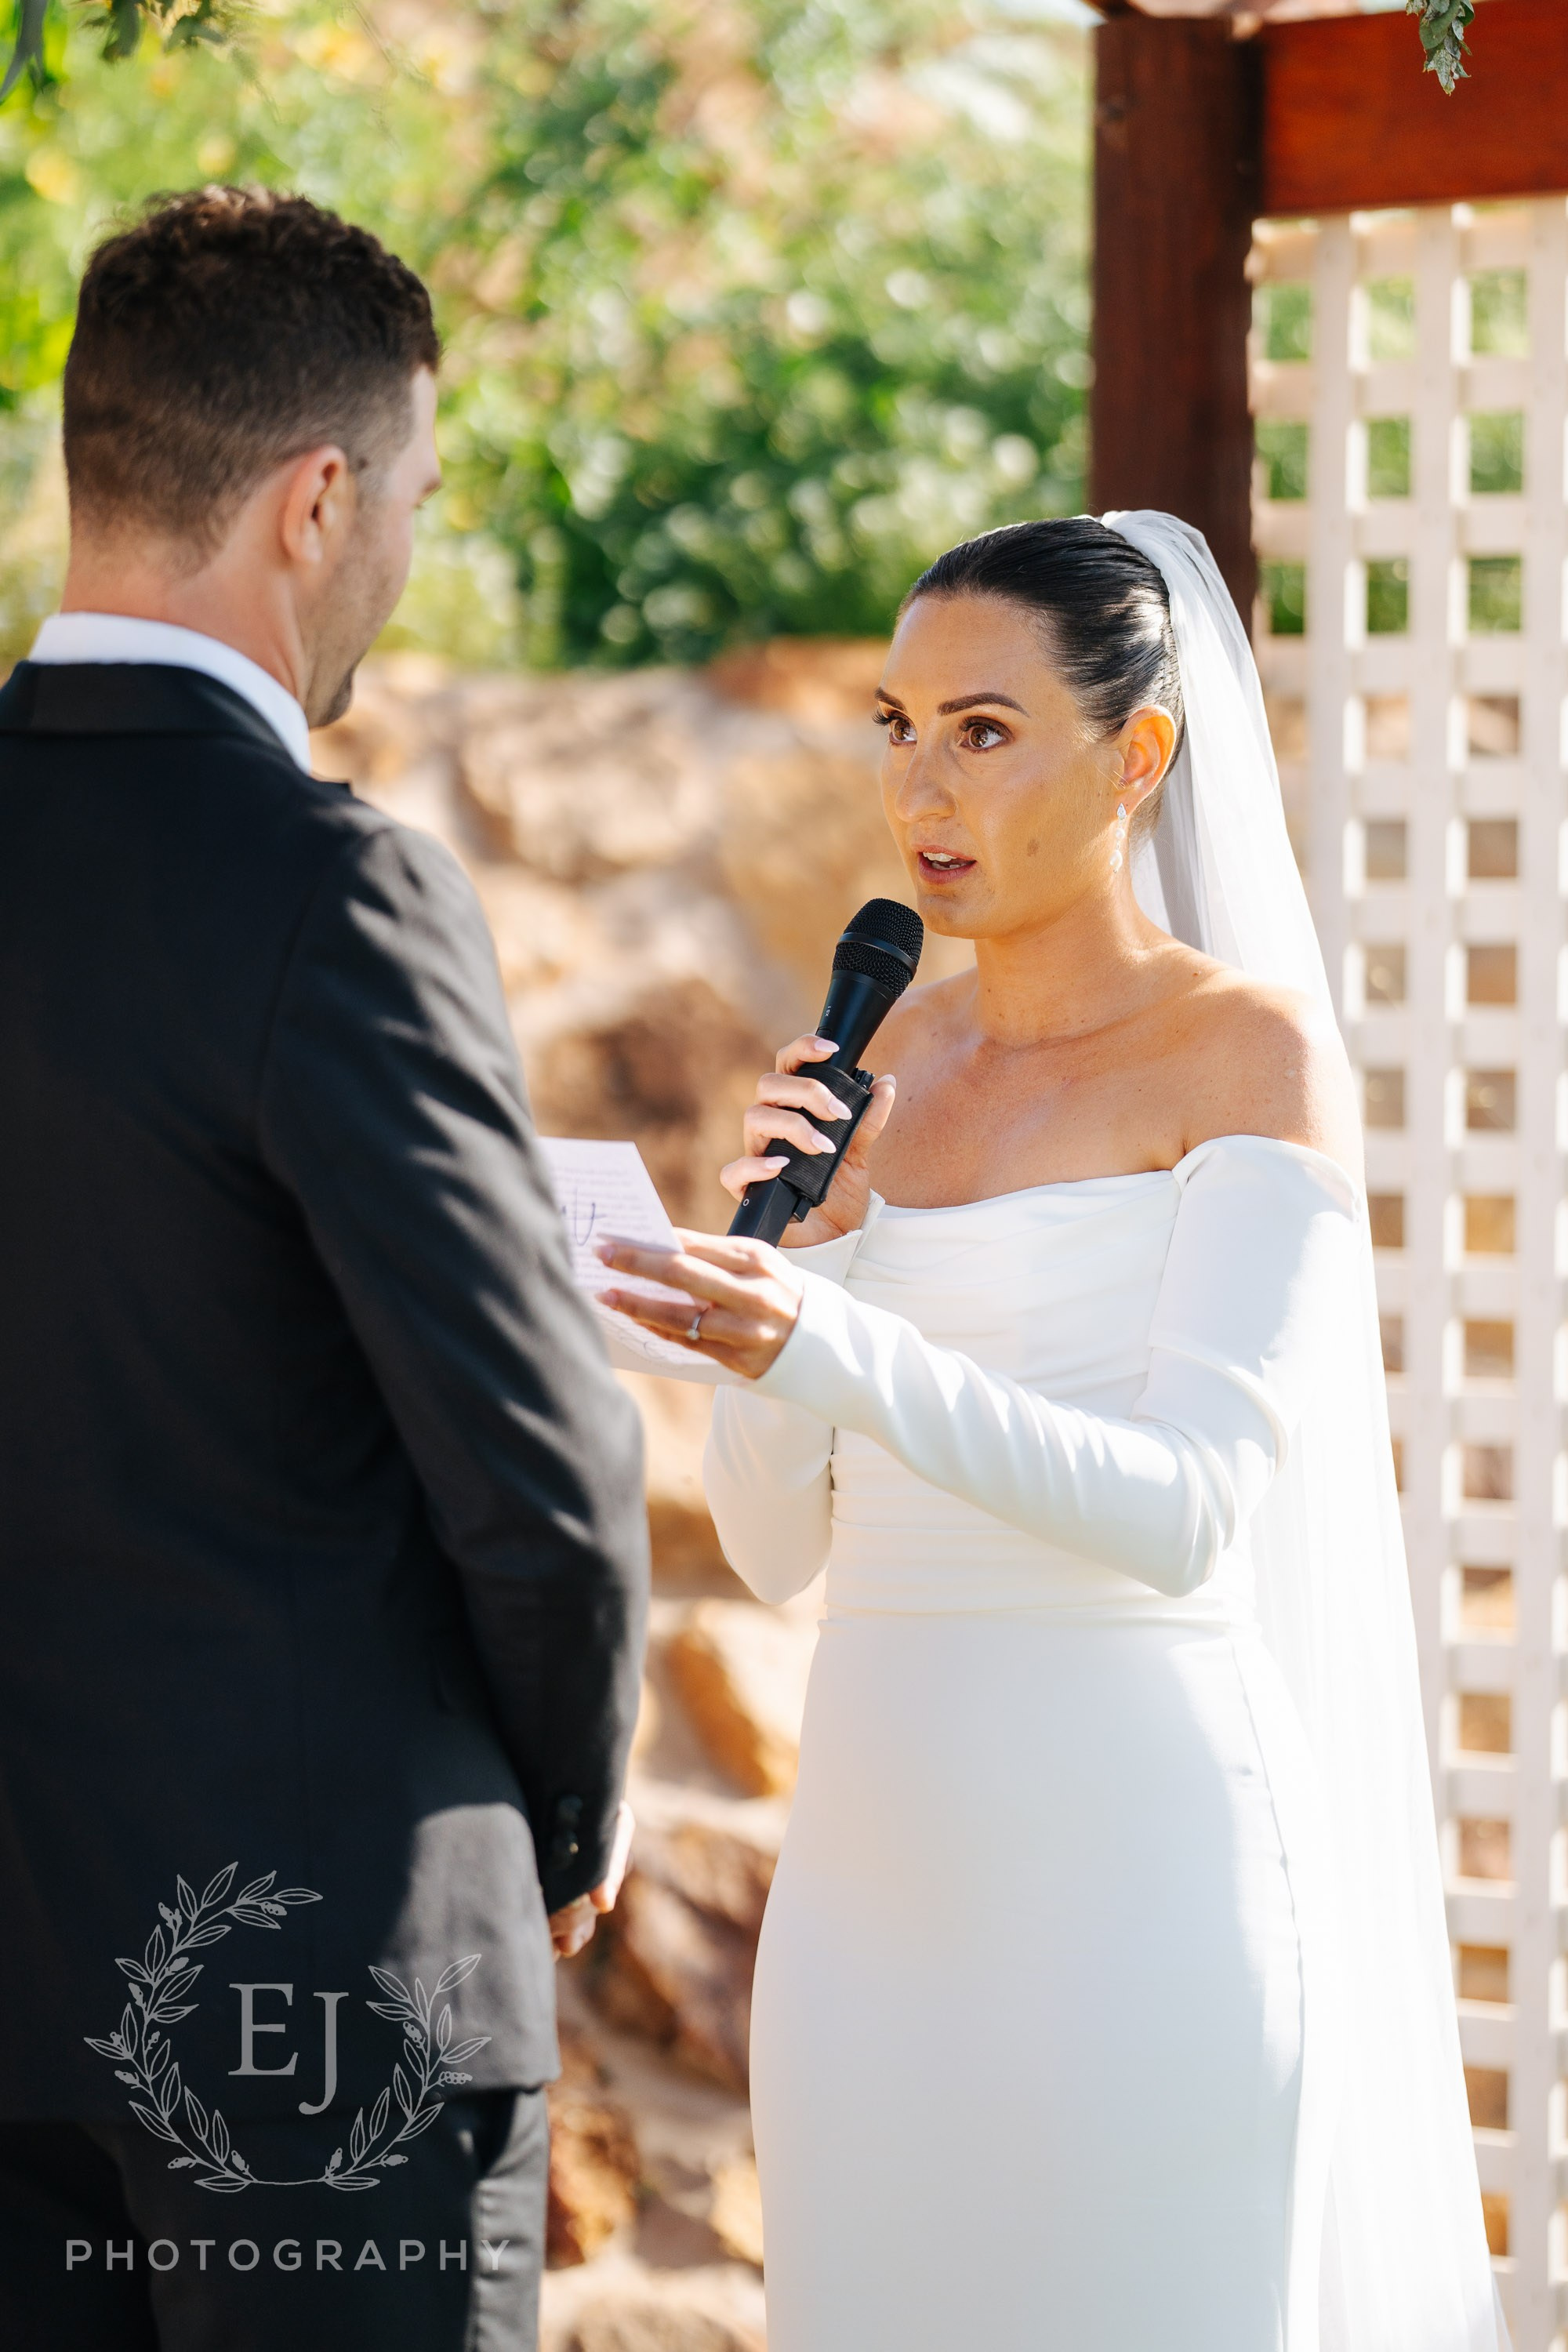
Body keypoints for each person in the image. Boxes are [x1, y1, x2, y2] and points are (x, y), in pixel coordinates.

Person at [595, 514, 1506, 2350]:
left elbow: (1185, 1510)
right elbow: (778, 1549)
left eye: (984, 731)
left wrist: (828, 1349)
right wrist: (798, 1255)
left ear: (1139, 757)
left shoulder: (1247, 1060)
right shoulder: (883, 1067)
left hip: (1133, 1864)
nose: (918, 785)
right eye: (894, 722)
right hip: (871, 1892)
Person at [0, 189, 648, 2352]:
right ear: (316, 498)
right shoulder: (330, 890)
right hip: (315, 2007)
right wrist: (565, 1812)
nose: (400, 558)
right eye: (414, 503)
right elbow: (538, 1464)